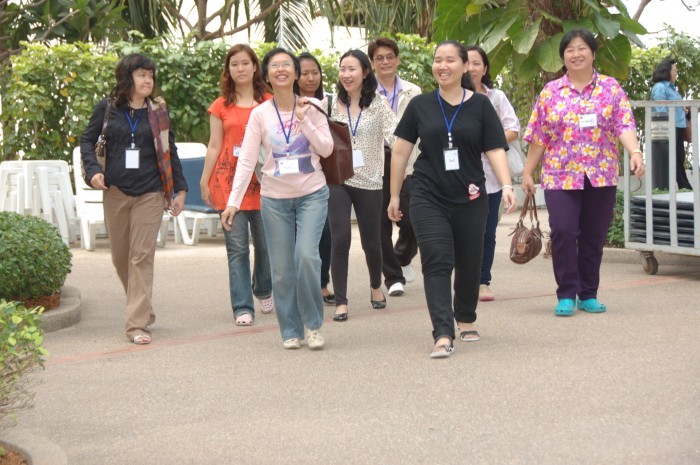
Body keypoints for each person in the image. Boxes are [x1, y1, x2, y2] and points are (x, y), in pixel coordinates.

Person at [388, 41, 516, 359]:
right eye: (438, 60)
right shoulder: (420, 105)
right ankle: (443, 332)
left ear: (465, 66)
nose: (442, 66)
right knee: (436, 260)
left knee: (470, 261)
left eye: (450, 60)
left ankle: (466, 317)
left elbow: (494, 148)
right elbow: (401, 151)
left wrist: (506, 184)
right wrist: (394, 195)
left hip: (471, 195)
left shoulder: (481, 105)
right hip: (427, 193)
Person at [522, 29, 645, 317]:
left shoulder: (611, 88)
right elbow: (539, 136)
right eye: (569, 50)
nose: (576, 54)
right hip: (560, 175)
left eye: (582, 49)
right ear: (563, 56)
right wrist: (528, 172)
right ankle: (566, 293)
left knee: (593, 235)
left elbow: (624, 124)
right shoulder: (551, 92)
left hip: (600, 175)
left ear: (593, 53)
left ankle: (588, 293)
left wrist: (635, 152)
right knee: (564, 231)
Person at [221, 48, 333, 350]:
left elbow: (326, 149)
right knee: (282, 269)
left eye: (287, 65)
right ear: (267, 75)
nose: (281, 69)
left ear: (296, 73)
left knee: (306, 258)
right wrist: (233, 202)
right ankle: (290, 330)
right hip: (275, 200)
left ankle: (313, 325)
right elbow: (247, 160)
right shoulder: (260, 114)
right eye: (274, 66)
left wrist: (304, 121)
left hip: (311, 194)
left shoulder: (313, 106)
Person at [80, 53, 188, 345]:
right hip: (115, 190)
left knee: (141, 256)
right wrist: (93, 171)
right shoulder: (107, 109)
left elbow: (170, 150)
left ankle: (137, 324)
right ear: (127, 78)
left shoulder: (158, 111)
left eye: (150, 75)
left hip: (150, 193)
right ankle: (143, 307)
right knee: (120, 257)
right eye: (142, 74)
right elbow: (87, 140)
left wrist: (180, 190)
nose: (148, 80)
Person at [200, 44, 274, 327]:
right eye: (234, 64)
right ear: (228, 70)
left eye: (245, 63)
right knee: (238, 248)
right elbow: (214, 145)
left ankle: (263, 287)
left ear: (255, 67)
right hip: (229, 184)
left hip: (265, 183)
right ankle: (242, 306)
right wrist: (204, 180)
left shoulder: (269, 102)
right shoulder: (220, 106)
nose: (240, 68)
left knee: (267, 246)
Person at [328, 49, 399, 322]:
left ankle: (375, 285)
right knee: (340, 237)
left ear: (365, 72)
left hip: (370, 180)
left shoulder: (378, 104)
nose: (346, 74)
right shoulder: (329, 103)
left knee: (372, 241)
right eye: (342, 69)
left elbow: (396, 136)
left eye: (352, 69)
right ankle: (341, 301)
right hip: (339, 179)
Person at [466, 45, 521, 302]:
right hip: (458, 177)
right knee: (462, 232)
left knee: (487, 232)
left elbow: (513, 128)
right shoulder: (448, 98)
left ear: (485, 68)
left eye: (476, 63)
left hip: (491, 179)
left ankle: (482, 281)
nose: (471, 68)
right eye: (466, 62)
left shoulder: (496, 97)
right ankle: (464, 277)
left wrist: (487, 142)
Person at [368, 36, 422, 296]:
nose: (385, 62)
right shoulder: (365, 93)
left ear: (398, 60)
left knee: (413, 219)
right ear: (372, 63)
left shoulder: (413, 91)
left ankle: (402, 255)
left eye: (390, 57)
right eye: (379, 58)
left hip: (408, 160)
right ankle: (392, 277)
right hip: (376, 161)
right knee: (380, 223)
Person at [294, 52, 335, 305]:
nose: (311, 78)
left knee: (325, 233)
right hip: (296, 177)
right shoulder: (289, 104)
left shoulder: (330, 102)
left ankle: (321, 283)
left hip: (328, 173)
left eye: (315, 72)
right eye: (305, 73)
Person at [651, 58, 693, 190]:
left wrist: (683, 109)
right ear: (667, 71)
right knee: (671, 158)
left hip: (678, 127)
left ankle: (683, 186)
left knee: (678, 158)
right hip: (669, 128)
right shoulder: (660, 87)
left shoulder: (671, 88)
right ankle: (683, 186)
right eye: (675, 70)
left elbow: (673, 106)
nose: (676, 73)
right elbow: (660, 110)